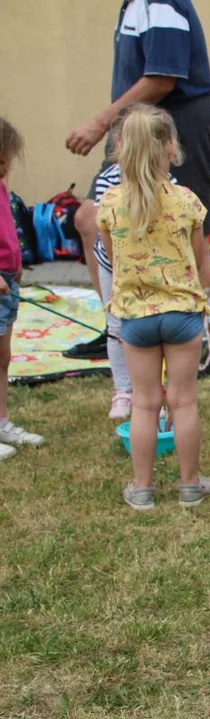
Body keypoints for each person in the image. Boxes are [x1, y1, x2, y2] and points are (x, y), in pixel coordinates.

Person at [65, 0, 210, 376]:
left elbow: (162, 78)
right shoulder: (134, 5)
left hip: (172, 126)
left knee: (187, 236)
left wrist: (102, 122)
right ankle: (118, 327)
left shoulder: (161, 3)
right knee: (90, 219)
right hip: (134, 129)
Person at [96, 104, 210, 510]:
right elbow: (199, 260)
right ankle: (189, 485)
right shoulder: (186, 200)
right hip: (183, 316)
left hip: (135, 318)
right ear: (170, 148)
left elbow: (112, 259)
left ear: (121, 149)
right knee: (183, 401)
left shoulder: (111, 204)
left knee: (145, 403)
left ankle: (142, 489)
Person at [93, 109, 182, 420]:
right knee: (117, 327)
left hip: (156, 270)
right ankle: (124, 391)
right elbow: (107, 237)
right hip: (117, 267)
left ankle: (156, 393)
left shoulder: (170, 185)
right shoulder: (108, 183)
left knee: (157, 329)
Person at [0, 117, 46, 462]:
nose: (8, 168)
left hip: (7, 281)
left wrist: (14, 269)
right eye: (5, 160)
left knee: (3, 358)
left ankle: (1, 421)